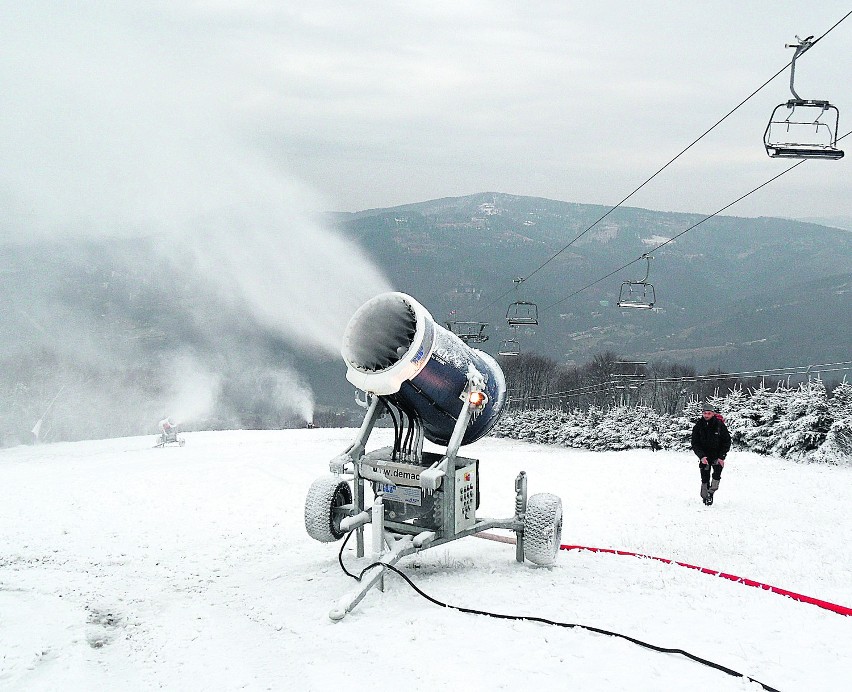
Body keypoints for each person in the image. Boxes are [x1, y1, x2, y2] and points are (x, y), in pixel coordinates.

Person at [691, 403, 731, 506]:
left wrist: (722, 457)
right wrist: (701, 456)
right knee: (704, 478)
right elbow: (695, 443)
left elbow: (726, 441)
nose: (706, 415)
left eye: (709, 413)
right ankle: (705, 497)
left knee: (716, 477)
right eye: (705, 413)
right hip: (704, 457)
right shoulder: (698, 426)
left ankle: (711, 492)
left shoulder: (720, 425)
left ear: (713, 414)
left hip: (717, 456)